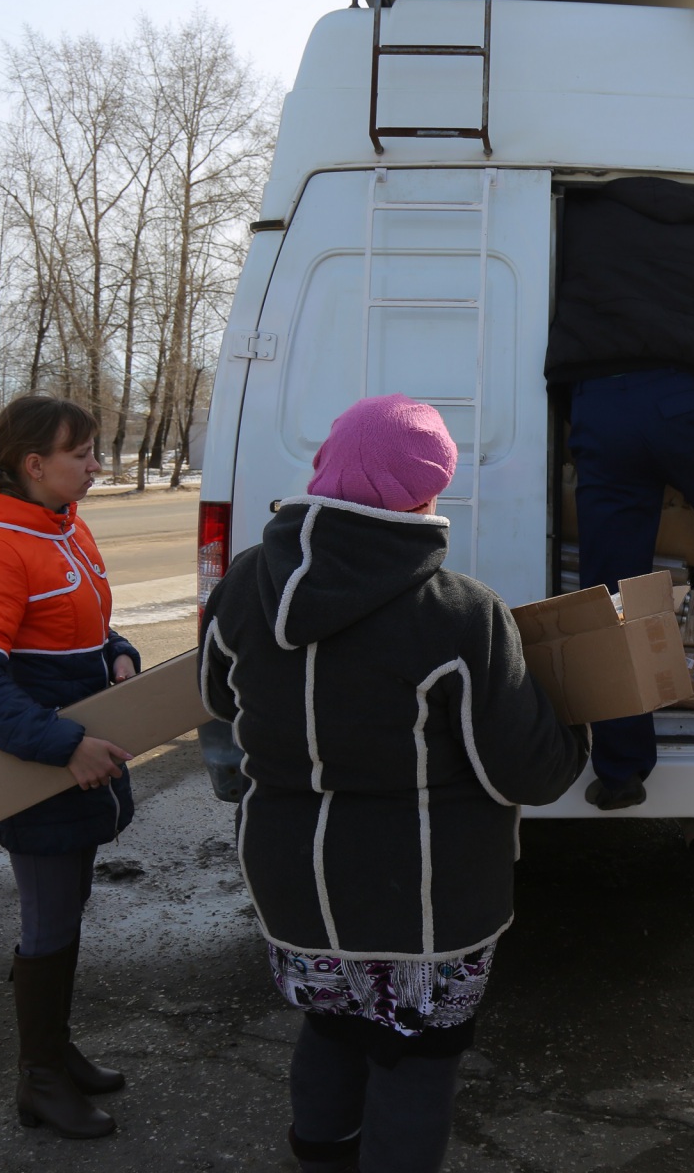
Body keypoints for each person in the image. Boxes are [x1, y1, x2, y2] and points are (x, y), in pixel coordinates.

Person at [199, 394, 586, 1173]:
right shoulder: (459, 613)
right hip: (422, 898)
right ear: (425, 494)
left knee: (333, 1028)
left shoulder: (241, 586)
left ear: (326, 469)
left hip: (290, 883)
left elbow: (218, 702)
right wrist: (576, 721)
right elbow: (525, 769)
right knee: (417, 1057)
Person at [545, 176, 694, 810]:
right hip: (685, 403)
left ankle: (620, 769)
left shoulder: (577, 223)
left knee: (613, 590)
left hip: (599, 406)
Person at [0, 395, 142, 1140]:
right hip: (41, 769)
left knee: (66, 911)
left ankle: (55, 1051)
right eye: (82, 454)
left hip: (74, 762)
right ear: (36, 465)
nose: (95, 466)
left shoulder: (64, 527)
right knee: (48, 920)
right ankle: (39, 1082)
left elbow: (84, 619)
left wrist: (116, 650)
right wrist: (63, 746)